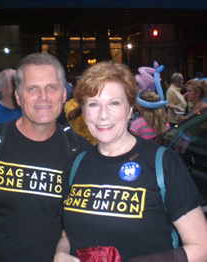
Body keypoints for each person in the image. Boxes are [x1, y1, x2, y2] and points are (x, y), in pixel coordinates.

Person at [54, 61, 207, 261]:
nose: (103, 115)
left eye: (114, 103)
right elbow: (68, 233)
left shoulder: (163, 163)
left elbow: (202, 247)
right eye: (93, 104)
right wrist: (62, 253)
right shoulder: (75, 166)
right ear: (84, 110)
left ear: (129, 109)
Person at [0, 53, 92, 262]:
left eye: (51, 87)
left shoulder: (81, 151)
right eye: (33, 88)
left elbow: (85, 221)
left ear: (63, 95)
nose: (43, 97)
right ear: (17, 96)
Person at [64, 76, 98, 145]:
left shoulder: (93, 101)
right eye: (81, 88)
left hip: (95, 142)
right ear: (74, 89)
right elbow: (71, 115)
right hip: (79, 143)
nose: (83, 91)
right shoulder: (70, 103)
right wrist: (84, 103)